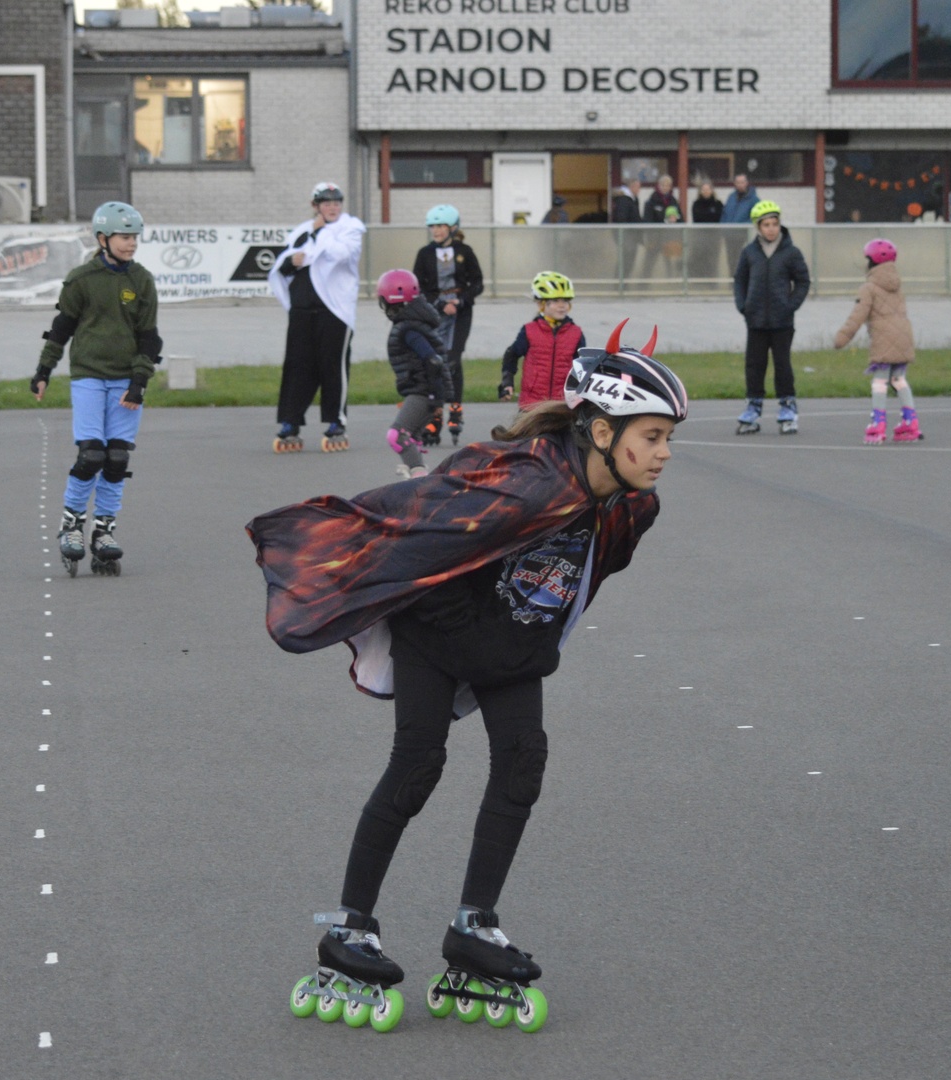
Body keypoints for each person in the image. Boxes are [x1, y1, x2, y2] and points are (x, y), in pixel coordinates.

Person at [249, 322, 688, 1033]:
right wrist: (485, 643)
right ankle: (348, 929)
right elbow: (420, 542)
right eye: (654, 436)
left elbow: (581, 577)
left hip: (510, 641)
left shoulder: (631, 505)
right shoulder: (528, 484)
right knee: (417, 766)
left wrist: (523, 644)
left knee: (523, 765)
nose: (664, 453)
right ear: (603, 432)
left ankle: (473, 927)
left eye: (668, 437)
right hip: (436, 628)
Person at [30, 201, 160, 578]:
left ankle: (103, 531)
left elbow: (149, 338)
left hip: (126, 380)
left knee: (117, 458)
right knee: (91, 455)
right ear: (103, 238)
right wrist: (43, 370)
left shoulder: (142, 280)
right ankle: (72, 523)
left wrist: (139, 381)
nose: (131, 243)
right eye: (124, 237)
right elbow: (61, 328)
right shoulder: (81, 279)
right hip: (88, 375)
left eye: (135, 237)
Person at [267, 181, 365, 454]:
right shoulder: (302, 231)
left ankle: (336, 422)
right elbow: (282, 266)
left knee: (332, 366)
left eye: (336, 203)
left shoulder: (350, 228)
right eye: (326, 203)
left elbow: (340, 255)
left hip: (334, 310)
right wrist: (291, 262)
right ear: (316, 206)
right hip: (302, 309)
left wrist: (321, 232)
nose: (332, 208)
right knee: (297, 366)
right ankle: (290, 422)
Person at [733, 200, 811, 435]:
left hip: (782, 321)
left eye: (774, 224)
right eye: (766, 225)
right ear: (758, 227)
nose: (771, 229)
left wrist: (791, 305)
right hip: (756, 320)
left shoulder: (791, 252)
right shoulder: (749, 252)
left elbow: (803, 281)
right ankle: (753, 406)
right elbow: (740, 280)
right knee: (754, 365)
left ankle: (787, 406)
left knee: (782, 364)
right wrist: (743, 306)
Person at [833, 238, 921, 444]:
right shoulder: (896, 285)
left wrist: (842, 338)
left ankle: (878, 424)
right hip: (904, 337)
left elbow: (857, 315)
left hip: (883, 339)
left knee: (880, 381)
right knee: (898, 379)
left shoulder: (869, 288)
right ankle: (911, 421)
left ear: (871, 262)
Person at [413, 204, 483, 446]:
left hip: (460, 313)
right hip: (434, 312)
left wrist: (460, 301)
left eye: (441, 226)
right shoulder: (424, 254)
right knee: (433, 361)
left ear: (452, 228)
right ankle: (435, 414)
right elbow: (418, 286)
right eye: (433, 226)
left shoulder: (464, 251)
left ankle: (455, 408)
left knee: (452, 359)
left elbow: (477, 283)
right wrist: (440, 304)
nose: (436, 231)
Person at [375, 268, 453, 480]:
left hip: (424, 391)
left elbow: (433, 360)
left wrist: (435, 397)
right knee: (411, 438)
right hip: (424, 389)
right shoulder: (412, 324)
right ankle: (418, 475)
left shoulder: (409, 329)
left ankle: (420, 479)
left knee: (397, 435)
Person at [499, 271, 586, 410]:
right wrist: (507, 383)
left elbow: (582, 366)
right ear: (541, 304)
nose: (562, 305)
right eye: (556, 301)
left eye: (565, 301)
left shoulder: (576, 333)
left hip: (562, 404)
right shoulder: (530, 330)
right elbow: (512, 355)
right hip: (532, 404)